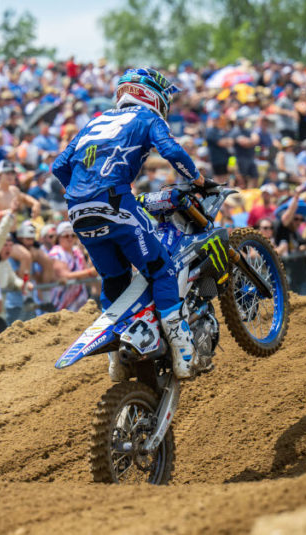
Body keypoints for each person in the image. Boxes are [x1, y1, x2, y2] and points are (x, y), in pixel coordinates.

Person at [52, 67, 206, 380]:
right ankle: (182, 349)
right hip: (114, 202)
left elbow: (59, 166)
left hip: (77, 211)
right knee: (164, 268)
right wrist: (197, 178)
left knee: (114, 277)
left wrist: (82, 194)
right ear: (150, 93)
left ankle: (117, 361)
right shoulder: (147, 118)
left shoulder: (94, 122)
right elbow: (172, 151)